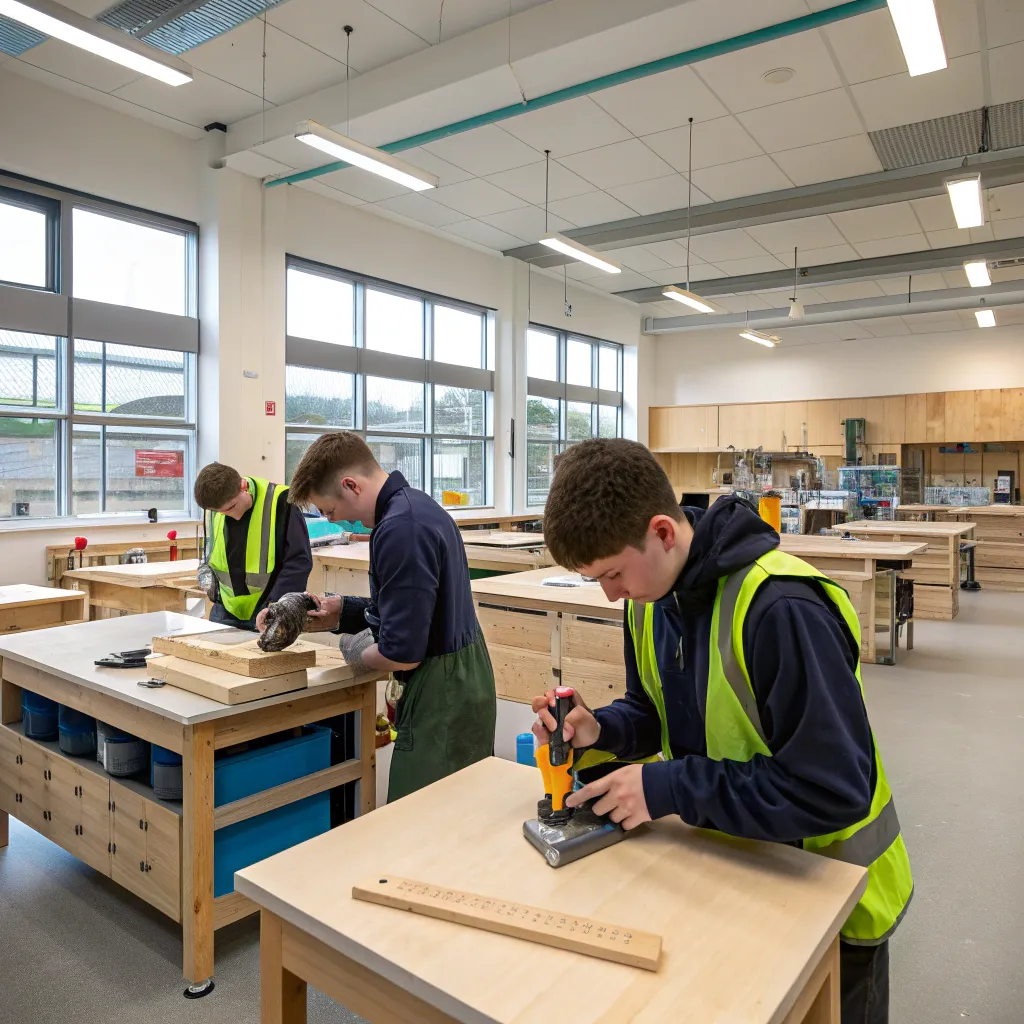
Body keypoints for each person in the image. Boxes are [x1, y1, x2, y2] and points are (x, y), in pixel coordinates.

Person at [531, 438, 912, 1024]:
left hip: (829, 894)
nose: (609, 593)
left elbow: (833, 790)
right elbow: (656, 715)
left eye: (611, 574)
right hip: (736, 872)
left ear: (662, 531)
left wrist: (666, 789)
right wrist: (599, 729)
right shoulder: (651, 597)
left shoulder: (781, 607)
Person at [287, 431, 496, 802]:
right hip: (459, 676)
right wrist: (342, 612)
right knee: (456, 813)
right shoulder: (414, 507)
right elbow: (410, 608)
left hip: (442, 692)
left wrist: (352, 649)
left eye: (330, 511)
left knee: (421, 822)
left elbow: (402, 651)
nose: (334, 522)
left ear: (350, 485)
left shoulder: (401, 529)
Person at [194, 462, 313, 631]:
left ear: (243, 486)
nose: (229, 515)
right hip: (225, 608)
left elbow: (298, 561)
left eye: (232, 507)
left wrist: (278, 607)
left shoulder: (282, 501)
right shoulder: (215, 507)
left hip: (268, 607)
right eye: (220, 512)